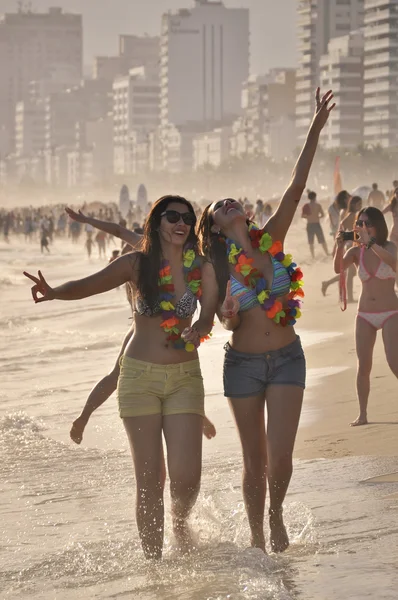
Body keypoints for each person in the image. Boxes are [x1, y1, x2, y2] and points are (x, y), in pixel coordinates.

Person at [24, 196, 218, 560]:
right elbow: (87, 285)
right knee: (149, 483)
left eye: (187, 218)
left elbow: (208, 316)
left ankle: (179, 521)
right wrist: (54, 293)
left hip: (184, 378)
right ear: (157, 222)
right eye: (172, 216)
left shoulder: (202, 268)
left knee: (187, 477)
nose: (181, 223)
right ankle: (155, 569)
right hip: (138, 379)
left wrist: (201, 328)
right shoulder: (136, 263)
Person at [197, 88, 335, 553]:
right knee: (253, 461)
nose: (228, 203)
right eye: (219, 206)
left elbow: (296, 185)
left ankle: (275, 513)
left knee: (282, 460)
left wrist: (314, 127)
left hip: (289, 359)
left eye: (231, 199)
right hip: (243, 366)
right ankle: (258, 538)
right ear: (215, 225)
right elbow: (222, 320)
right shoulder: (216, 265)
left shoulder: (271, 239)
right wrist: (228, 317)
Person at [334, 207, 398, 426]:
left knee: (394, 362)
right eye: (359, 224)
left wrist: (370, 242)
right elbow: (338, 268)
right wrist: (340, 244)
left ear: (378, 225)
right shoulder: (355, 251)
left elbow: (392, 262)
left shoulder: (389, 246)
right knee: (364, 365)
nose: (363, 227)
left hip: (391, 312)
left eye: (368, 223)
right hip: (365, 315)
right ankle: (362, 414)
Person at [322, 195, 362, 301]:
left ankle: (327, 283)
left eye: (361, 204)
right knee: (350, 273)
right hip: (350, 245)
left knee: (349, 272)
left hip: (350, 244)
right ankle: (349, 297)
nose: (360, 206)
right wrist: (339, 245)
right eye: (358, 204)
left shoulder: (352, 214)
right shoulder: (352, 215)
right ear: (353, 204)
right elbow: (342, 227)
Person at [301, 190, 328, 258]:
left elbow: (302, 216)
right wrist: (317, 216)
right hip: (316, 224)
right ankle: (327, 253)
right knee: (322, 240)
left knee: (311, 242)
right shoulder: (318, 205)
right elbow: (323, 215)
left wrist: (309, 217)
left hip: (309, 224)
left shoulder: (306, 206)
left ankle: (313, 256)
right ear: (315, 197)